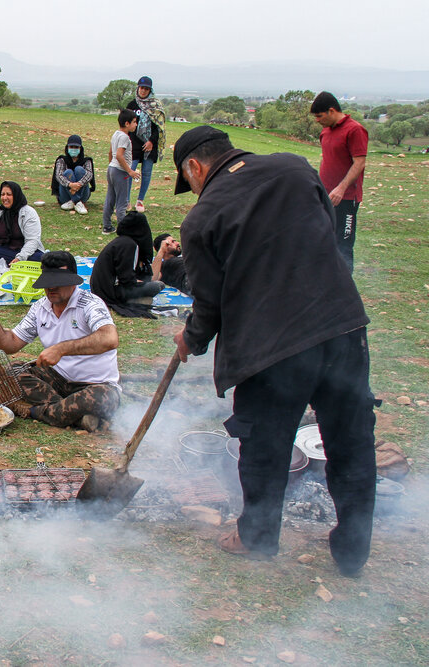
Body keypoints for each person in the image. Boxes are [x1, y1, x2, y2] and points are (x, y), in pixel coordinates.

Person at [171, 126, 377, 576]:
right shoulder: (295, 167)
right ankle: (353, 548)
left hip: (272, 348)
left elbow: (209, 304)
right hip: (341, 326)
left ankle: (257, 537)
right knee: (351, 439)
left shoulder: (202, 219)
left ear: (195, 167)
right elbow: (326, 238)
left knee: (265, 444)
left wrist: (192, 338)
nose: (194, 192)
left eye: (190, 184)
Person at [0, 251, 120, 432]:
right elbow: (12, 343)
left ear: (74, 281)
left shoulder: (90, 304)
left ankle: (34, 411)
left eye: (58, 282)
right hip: (57, 380)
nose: (51, 288)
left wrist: (61, 349)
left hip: (96, 385)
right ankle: (72, 414)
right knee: (10, 372)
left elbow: (110, 339)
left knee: (101, 398)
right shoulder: (40, 307)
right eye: (48, 283)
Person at [311, 91, 368, 272]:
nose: (317, 120)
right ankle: (327, 281)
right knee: (325, 239)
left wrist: (341, 188)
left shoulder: (355, 130)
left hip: (346, 198)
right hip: (326, 196)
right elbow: (327, 159)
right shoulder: (326, 131)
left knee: (343, 245)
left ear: (332, 111)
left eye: (319, 116)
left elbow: (359, 163)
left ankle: (345, 290)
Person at [89, 211, 163, 317]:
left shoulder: (122, 241)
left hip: (102, 289)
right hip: (109, 292)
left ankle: (137, 298)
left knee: (149, 283)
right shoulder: (129, 245)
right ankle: (134, 301)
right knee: (157, 286)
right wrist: (140, 283)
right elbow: (126, 279)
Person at [0, 181, 46, 269]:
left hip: (26, 253)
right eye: (2, 194)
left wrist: (20, 258)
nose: (5, 197)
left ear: (16, 195)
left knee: (40, 259)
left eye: (9, 194)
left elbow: (33, 240)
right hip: (3, 251)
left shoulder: (28, 213)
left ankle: (9, 268)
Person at [127, 76, 167, 213]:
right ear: (137, 88)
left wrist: (151, 142)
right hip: (133, 144)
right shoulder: (132, 105)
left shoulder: (156, 106)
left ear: (150, 90)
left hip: (150, 145)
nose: (143, 91)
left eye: (146, 89)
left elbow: (159, 127)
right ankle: (126, 201)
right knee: (129, 171)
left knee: (146, 173)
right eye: (141, 88)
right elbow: (125, 124)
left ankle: (140, 200)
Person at [103, 110, 141, 234]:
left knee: (110, 198)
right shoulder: (125, 137)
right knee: (122, 202)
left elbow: (111, 153)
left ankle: (107, 226)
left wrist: (111, 165)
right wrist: (130, 171)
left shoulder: (116, 134)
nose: (136, 125)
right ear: (127, 123)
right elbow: (119, 155)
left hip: (111, 169)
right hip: (120, 172)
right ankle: (123, 229)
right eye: (134, 122)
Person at [50, 134, 95, 214]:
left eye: (76, 147)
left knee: (79, 170)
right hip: (65, 196)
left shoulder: (86, 161)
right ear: (67, 148)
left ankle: (74, 201)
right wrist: (70, 185)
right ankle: (77, 202)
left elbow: (89, 175)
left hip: (83, 194)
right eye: (71, 147)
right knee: (68, 172)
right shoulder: (61, 160)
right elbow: (58, 175)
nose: (74, 149)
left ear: (80, 148)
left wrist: (78, 184)